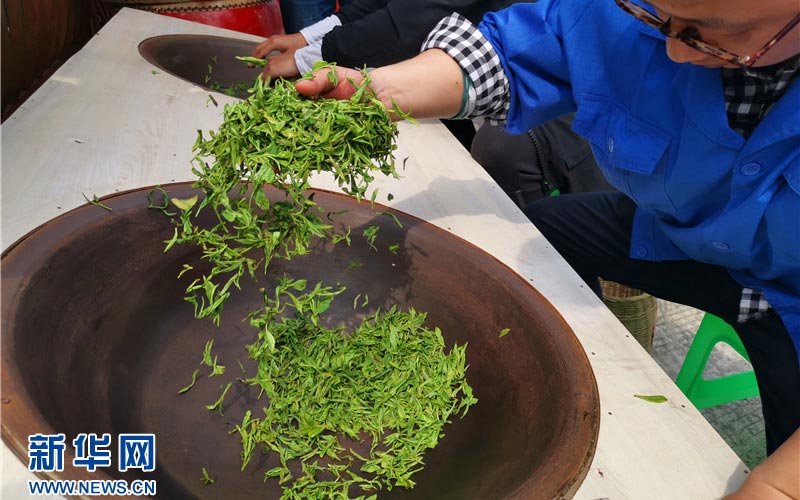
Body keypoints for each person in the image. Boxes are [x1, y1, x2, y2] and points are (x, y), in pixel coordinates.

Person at [292, 0, 800, 496]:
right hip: (687, 234)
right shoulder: (626, 12)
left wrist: (776, 484)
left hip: (789, 295)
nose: (675, 51)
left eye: (713, 34)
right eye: (658, 18)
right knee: (549, 229)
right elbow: (518, 48)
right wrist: (379, 89)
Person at [251, 0, 528, 149]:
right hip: (458, 75)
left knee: (492, 158)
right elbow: (381, 5)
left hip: (510, 94)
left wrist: (307, 58)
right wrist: (307, 37)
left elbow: (408, 22)